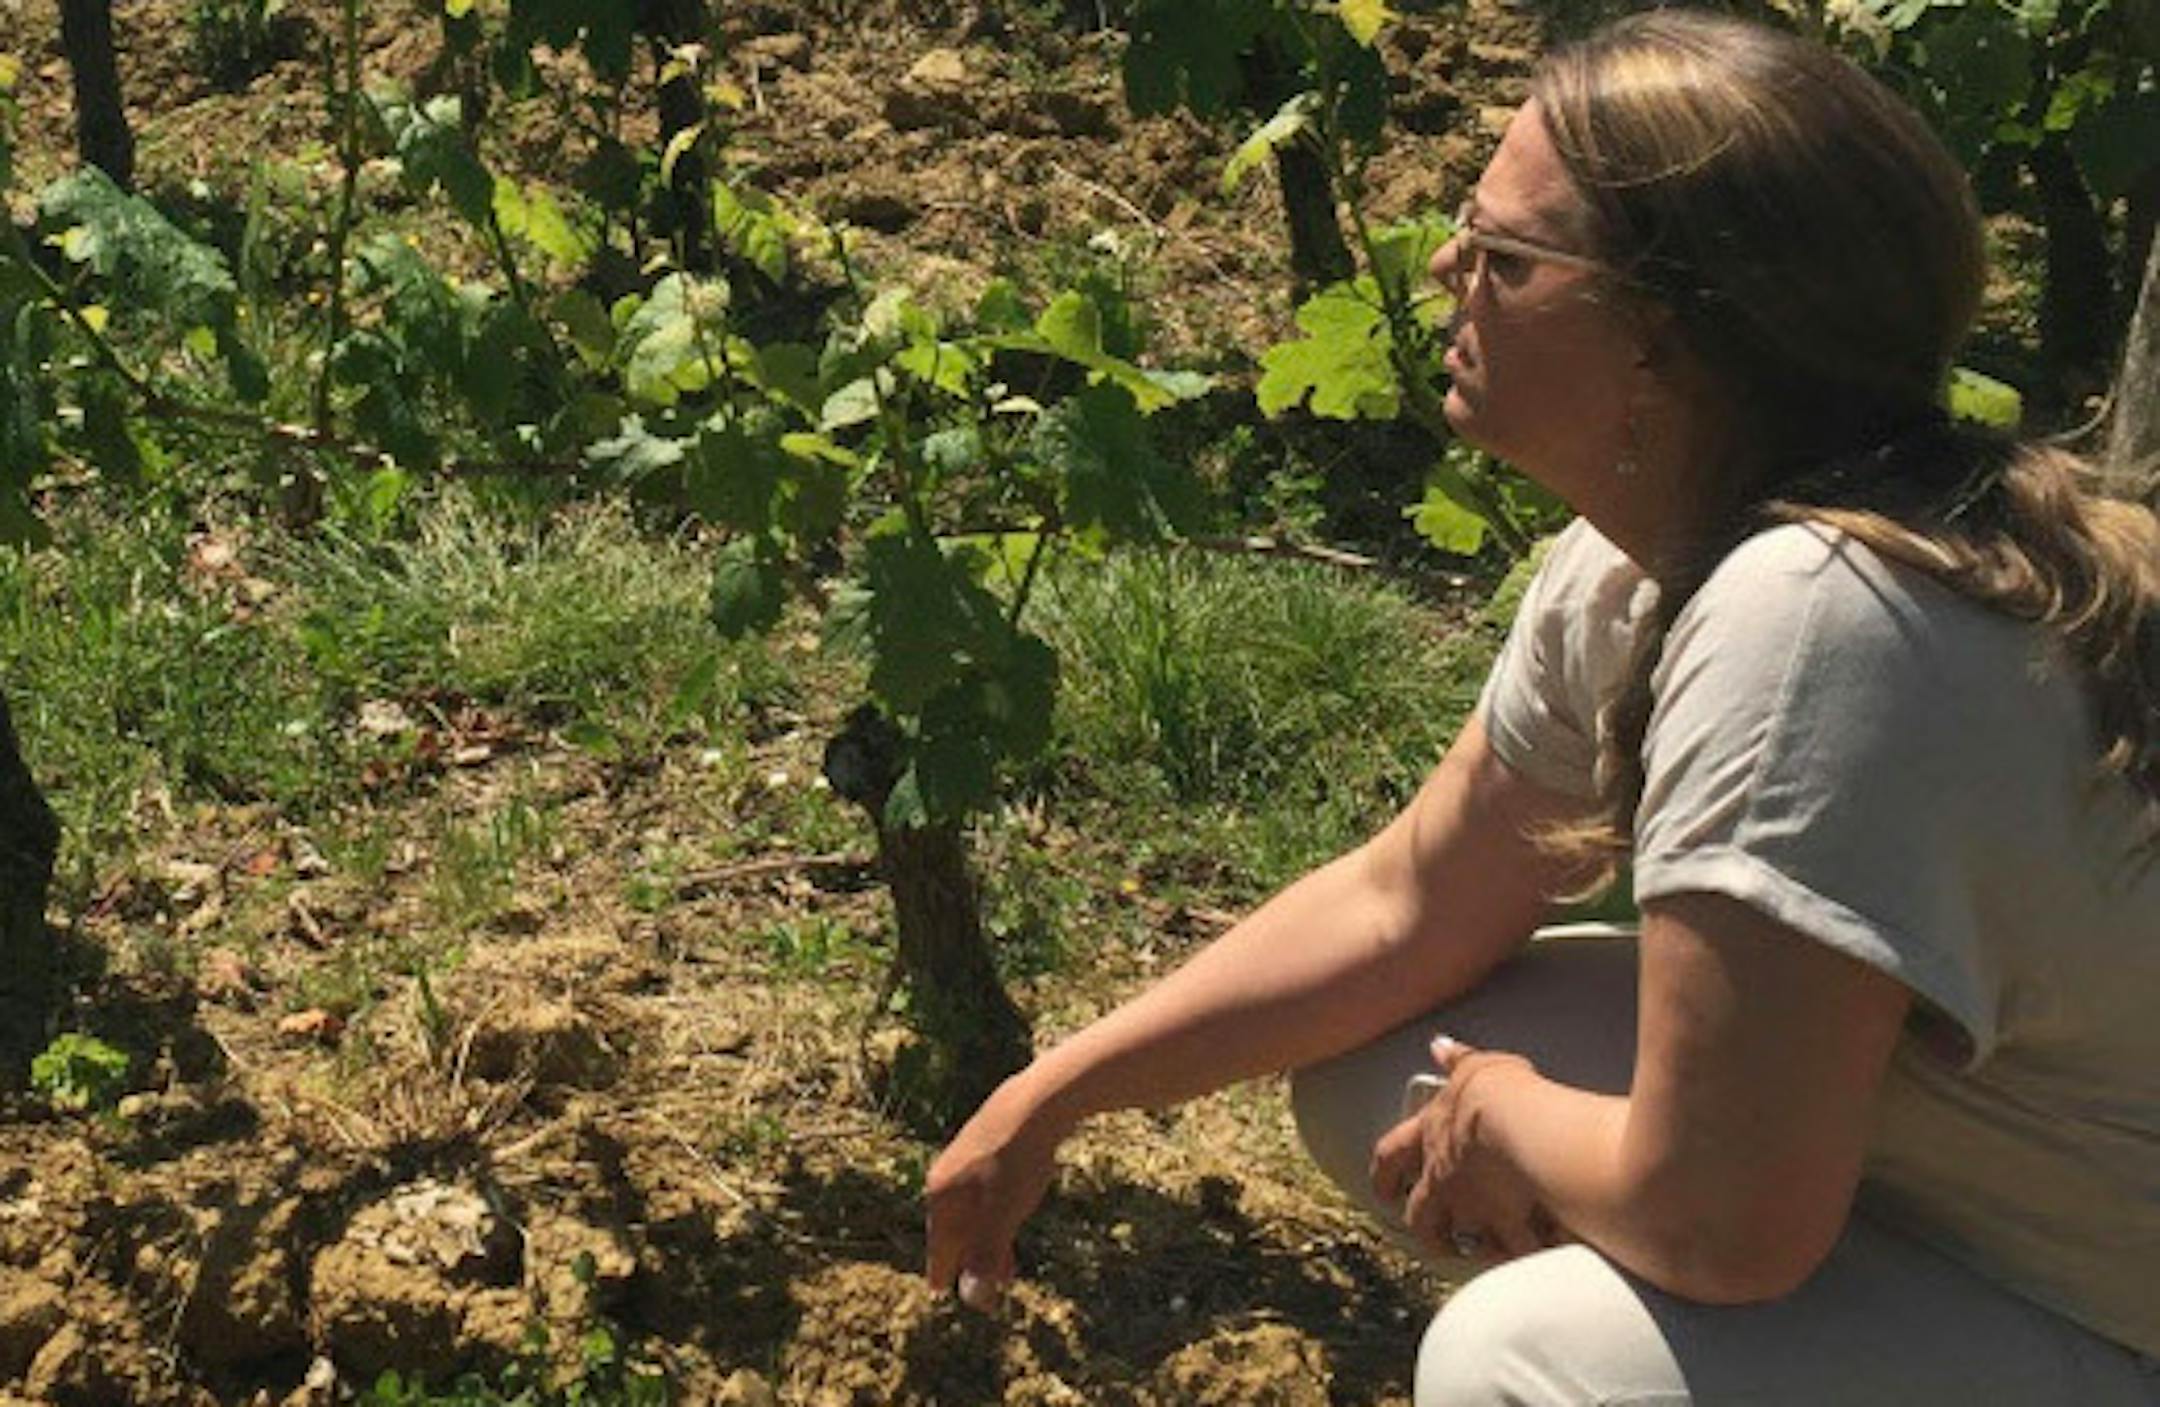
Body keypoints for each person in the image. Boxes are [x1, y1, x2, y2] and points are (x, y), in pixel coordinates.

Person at [924, 10, 2160, 1403]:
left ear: (1662, 340)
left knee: (1527, 1365)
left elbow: (1725, 1223)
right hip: (1994, 1202)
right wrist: (1059, 1092)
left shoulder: (1815, 629)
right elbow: (1412, 898)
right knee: (1380, 1069)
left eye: (1506, 256)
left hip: (2112, 1316)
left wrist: (1510, 1119)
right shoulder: (1664, 563)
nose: (1448, 266)